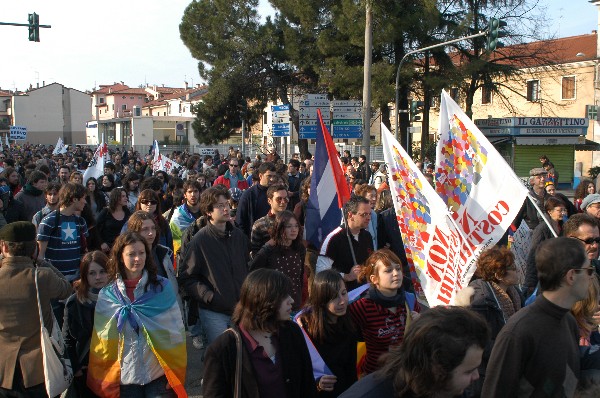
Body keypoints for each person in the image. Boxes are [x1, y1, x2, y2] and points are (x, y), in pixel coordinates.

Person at [482, 237, 593, 397]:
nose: (591, 277)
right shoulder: (518, 332)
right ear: (571, 276)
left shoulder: (569, 321)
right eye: (588, 271)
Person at [87, 232, 187, 398]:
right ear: (120, 257)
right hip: (126, 379)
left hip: (158, 374)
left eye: (141, 253)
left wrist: (175, 369)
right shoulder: (107, 295)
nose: (137, 259)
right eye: (131, 254)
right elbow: (102, 341)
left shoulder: (162, 288)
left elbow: (176, 332)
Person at [203, 268, 318, 398]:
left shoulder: (292, 331)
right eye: (284, 296)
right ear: (263, 300)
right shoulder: (222, 349)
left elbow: (308, 384)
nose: (291, 300)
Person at [339, 306, 489, 398]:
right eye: (468, 371)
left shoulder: (448, 388)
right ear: (436, 367)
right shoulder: (369, 394)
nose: (477, 376)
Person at [0, 222, 72, 397]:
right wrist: (40, 261)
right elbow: (66, 289)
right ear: (35, 248)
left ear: (3, 247)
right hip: (38, 370)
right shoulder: (41, 276)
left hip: (3, 369)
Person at [178, 187, 249, 345]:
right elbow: (187, 277)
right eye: (219, 205)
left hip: (241, 308)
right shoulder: (199, 241)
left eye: (227, 204)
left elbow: (246, 266)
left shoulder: (238, 236)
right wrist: (208, 295)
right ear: (208, 211)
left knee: (242, 354)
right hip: (214, 311)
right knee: (219, 354)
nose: (225, 209)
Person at [349, 248, 420, 375]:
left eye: (398, 268)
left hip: (406, 374)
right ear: (374, 279)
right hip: (375, 376)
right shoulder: (363, 306)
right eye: (388, 270)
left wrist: (420, 324)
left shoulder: (410, 300)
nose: (396, 273)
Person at [463, 246, 522, 397]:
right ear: (499, 275)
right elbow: (479, 341)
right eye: (513, 268)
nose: (518, 270)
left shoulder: (515, 293)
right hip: (486, 373)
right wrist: (508, 349)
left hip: (506, 364)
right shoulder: (480, 301)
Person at [298, 270, 358, 397]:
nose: (342, 301)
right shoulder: (305, 328)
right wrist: (317, 383)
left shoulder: (349, 324)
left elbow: (351, 370)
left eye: (344, 293)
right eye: (334, 297)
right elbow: (298, 372)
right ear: (321, 299)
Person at [62, 250, 109, 397]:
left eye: (102, 271)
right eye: (92, 273)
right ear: (84, 275)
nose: (98, 277)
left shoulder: (119, 300)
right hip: (86, 370)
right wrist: (77, 370)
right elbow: (67, 338)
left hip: (114, 368)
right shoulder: (74, 302)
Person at [127, 210, 182, 317]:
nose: (151, 233)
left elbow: (173, 289)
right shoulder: (130, 261)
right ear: (134, 232)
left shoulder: (163, 254)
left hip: (169, 313)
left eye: (153, 228)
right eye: (145, 229)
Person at [250, 210, 306, 311]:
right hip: (273, 306)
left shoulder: (299, 248)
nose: (294, 230)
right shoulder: (268, 249)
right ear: (280, 228)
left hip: (295, 304)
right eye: (289, 226)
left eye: (296, 226)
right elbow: (254, 275)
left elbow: (300, 277)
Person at [317, 195, 374, 290]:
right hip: (342, 295)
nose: (368, 218)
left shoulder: (367, 236)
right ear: (351, 215)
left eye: (369, 214)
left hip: (365, 292)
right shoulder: (334, 238)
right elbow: (321, 273)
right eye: (364, 214)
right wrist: (347, 276)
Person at [37, 182, 89, 281]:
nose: (85, 202)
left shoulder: (80, 221)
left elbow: (84, 251)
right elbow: (40, 256)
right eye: (83, 198)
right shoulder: (48, 221)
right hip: (55, 280)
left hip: (76, 279)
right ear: (74, 199)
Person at [525, 196, 566, 293]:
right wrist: (530, 283)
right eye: (559, 210)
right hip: (544, 276)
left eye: (564, 210)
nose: (563, 213)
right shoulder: (542, 229)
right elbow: (533, 255)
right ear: (550, 211)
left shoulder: (564, 226)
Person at [236, 162, 278, 237]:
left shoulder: (277, 193)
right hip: (255, 240)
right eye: (269, 176)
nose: (272, 179)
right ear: (260, 176)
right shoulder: (249, 195)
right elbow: (240, 221)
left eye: (274, 176)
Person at [250, 184, 290, 255]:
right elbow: (255, 253)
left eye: (286, 199)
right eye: (279, 199)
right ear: (269, 201)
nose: (283, 202)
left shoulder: (292, 221)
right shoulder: (259, 225)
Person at [169, 180, 202, 254]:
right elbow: (175, 241)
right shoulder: (177, 218)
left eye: (196, 191)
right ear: (185, 195)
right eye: (190, 192)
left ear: (200, 193)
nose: (193, 194)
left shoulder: (207, 212)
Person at [96, 187, 131, 254]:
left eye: (126, 196)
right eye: (123, 196)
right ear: (116, 197)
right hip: (107, 248)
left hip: (122, 247)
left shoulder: (127, 212)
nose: (126, 198)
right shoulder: (106, 212)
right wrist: (101, 243)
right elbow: (96, 228)